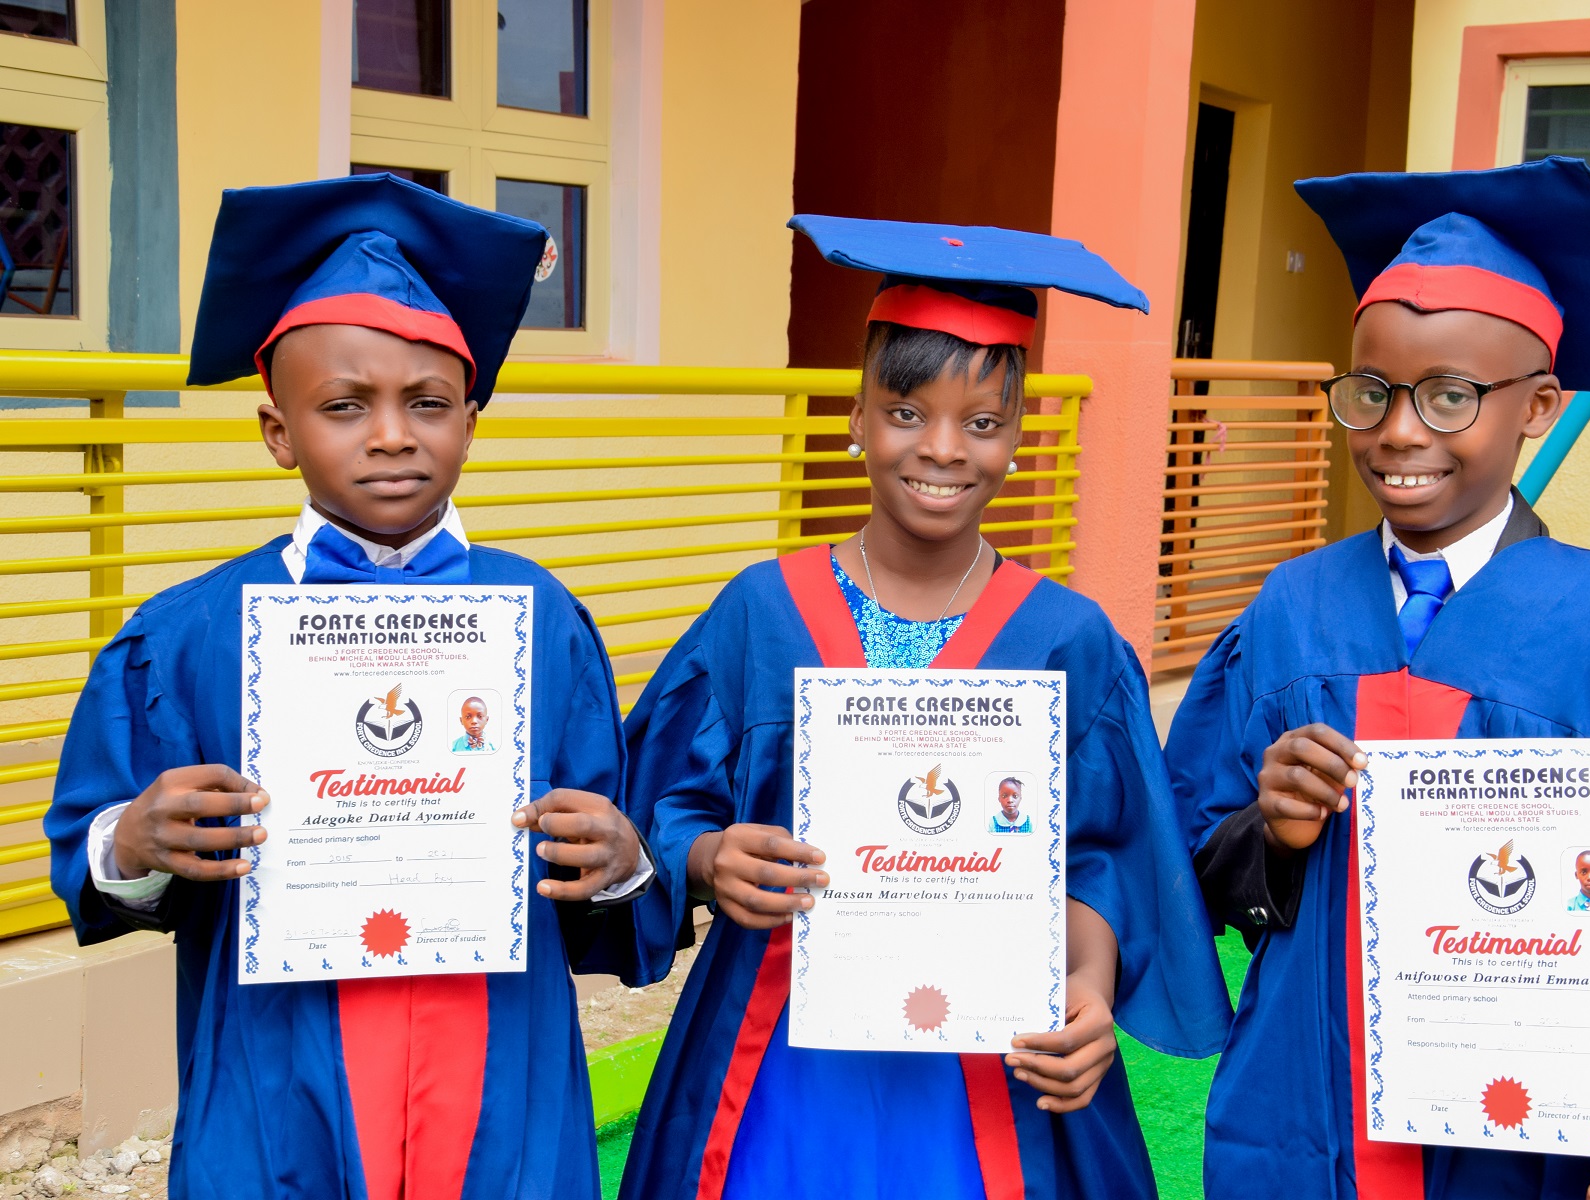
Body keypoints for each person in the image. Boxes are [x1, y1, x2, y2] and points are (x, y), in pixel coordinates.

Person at [1165, 157, 1590, 1200]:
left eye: (1451, 396)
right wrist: (1267, 832)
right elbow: (1191, 863)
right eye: (1371, 393)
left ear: (1538, 405)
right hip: (1300, 1110)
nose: (1400, 431)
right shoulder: (1288, 610)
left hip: (1522, 1134)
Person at [45, 174, 656, 1200]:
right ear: (277, 431)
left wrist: (622, 861)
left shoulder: (542, 620)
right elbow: (96, 860)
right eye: (343, 405)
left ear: (472, 422)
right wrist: (133, 841)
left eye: (428, 403)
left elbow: (607, 868)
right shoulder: (190, 633)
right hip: (279, 1070)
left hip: (499, 1065)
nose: (391, 434)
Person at [617, 217, 1232, 1200]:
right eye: (907, 412)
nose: (943, 449)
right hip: (777, 1054)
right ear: (857, 419)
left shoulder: (1067, 639)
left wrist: (1088, 985)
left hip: (992, 1062)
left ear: (1016, 438)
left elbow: (1102, 862)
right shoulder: (760, 614)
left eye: (982, 422)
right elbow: (657, 808)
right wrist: (707, 858)